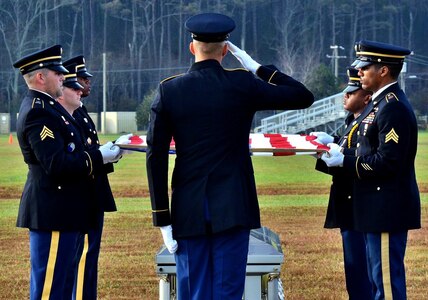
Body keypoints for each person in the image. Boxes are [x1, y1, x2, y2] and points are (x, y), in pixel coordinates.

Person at [146, 12, 314, 300]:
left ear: (192, 47)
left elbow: (156, 156)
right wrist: (258, 68)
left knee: (194, 290)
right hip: (234, 202)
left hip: (189, 205)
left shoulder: (170, 89)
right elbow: (302, 96)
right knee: (228, 291)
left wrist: (162, 217)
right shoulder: (242, 84)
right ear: (226, 50)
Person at [13, 45, 121, 299]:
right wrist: (99, 155)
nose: (64, 77)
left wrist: (104, 156)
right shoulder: (38, 111)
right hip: (54, 212)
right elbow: (57, 165)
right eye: (57, 73)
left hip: (66, 211)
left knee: (62, 285)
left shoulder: (49, 109)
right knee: (51, 289)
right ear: (41, 77)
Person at [321, 40, 421, 300]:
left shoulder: (392, 106)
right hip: (375, 208)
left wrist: (345, 161)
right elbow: (369, 151)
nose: (360, 72)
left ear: (384, 71)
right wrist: (341, 152)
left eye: (366, 68)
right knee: (376, 281)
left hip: (386, 209)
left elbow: (388, 162)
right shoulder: (380, 105)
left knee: (386, 286)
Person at [62, 55, 129, 300]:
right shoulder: (71, 113)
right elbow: (79, 156)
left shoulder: (79, 111)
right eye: (81, 80)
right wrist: (103, 156)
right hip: (85, 194)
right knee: (83, 258)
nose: (86, 85)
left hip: (92, 192)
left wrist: (110, 153)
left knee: (88, 257)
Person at [311, 67, 373, 299]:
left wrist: (337, 154)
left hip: (360, 207)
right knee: (354, 271)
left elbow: (361, 157)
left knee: (362, 272)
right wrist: (326, 149)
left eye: (352, 92)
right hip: (348, 206)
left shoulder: (368, 122)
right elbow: (347, 149)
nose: (345, 96)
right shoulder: (352, 120)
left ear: (366, 96)